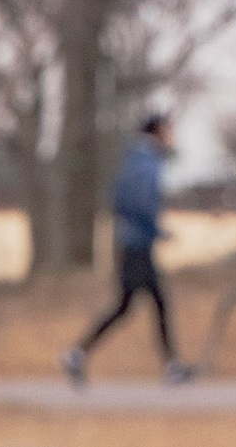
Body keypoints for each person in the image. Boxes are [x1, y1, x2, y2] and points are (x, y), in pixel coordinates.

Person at [60, 114, 195, 387]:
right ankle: (171, 367)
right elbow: (139, 202)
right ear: (158, 131)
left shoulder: (134, 158)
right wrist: (155, 230)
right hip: (137, 245)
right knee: (150, 303)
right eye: (169, 131)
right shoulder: (147, 163)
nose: (171, 137)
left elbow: (119, 198)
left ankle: (78, 354)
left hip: (133, 243)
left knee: (132, 305)